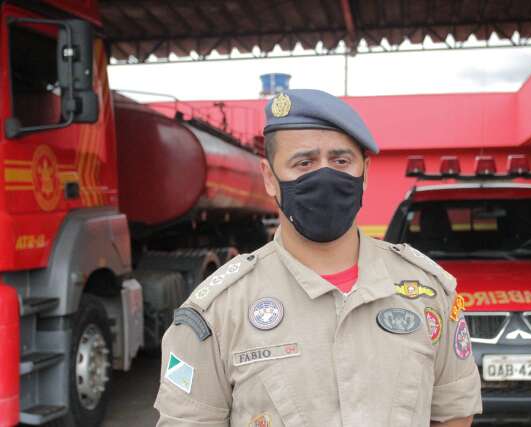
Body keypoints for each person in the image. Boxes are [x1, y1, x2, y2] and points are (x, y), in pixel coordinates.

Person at [154, 89, 482, 427]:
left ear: (365, 173)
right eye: (304, 163)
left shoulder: (429, 292)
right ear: (270, 178)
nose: (324, 177)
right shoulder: (217, 312)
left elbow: (454, 413)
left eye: (341, 161)